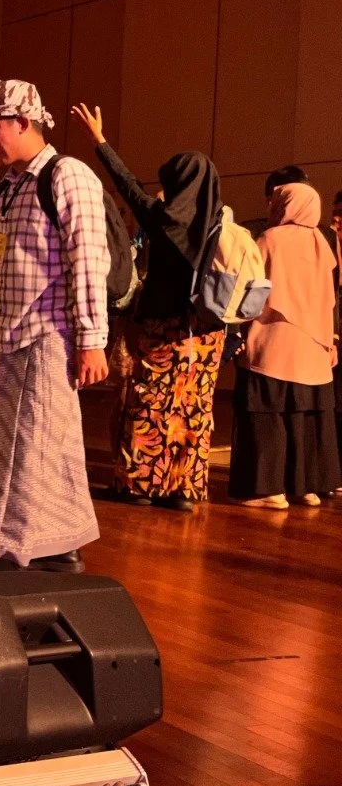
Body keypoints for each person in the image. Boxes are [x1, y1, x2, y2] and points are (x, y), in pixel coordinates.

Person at [0, 79, 109, 573]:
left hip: (49, 338)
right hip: (12, 344)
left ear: (23, 122)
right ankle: (16, 545)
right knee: (5, 453)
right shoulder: (4, 192)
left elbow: (88, 260)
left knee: (43, 448)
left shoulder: (68, 176)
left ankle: (55, 547)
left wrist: (91, 340)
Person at [70, 104, 226, 512]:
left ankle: (140, 484)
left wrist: (100, 142)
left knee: (151, 403)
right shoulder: (218, 224)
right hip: (207, 332)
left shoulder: (164, 220)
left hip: (163, 325)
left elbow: (128, 187)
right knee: (193, 408)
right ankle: (182, 490)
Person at [229, 183, 340, 509]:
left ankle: (268, 491)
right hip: (314, 350)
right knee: (305, 421)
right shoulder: (324, 244)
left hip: (273, 344)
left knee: (268, 417)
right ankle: (305, 488)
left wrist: (237, 329)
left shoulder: (269, 239)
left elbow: (253, 292)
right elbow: (330, 300)